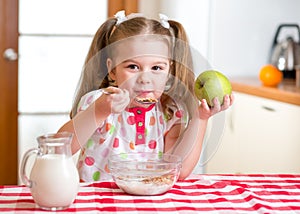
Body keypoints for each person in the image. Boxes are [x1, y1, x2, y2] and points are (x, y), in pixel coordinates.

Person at [58, 11, 234, 182]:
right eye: (133, 67)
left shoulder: (170, 111)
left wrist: (201, 118)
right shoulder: (99, 101)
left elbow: (180, 170)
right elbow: (59, 151)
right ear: (112, 70)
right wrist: (100, 111)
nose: (145, 79)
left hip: (147, 203)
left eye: (156, 68)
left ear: (169, 71)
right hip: (97, 201)